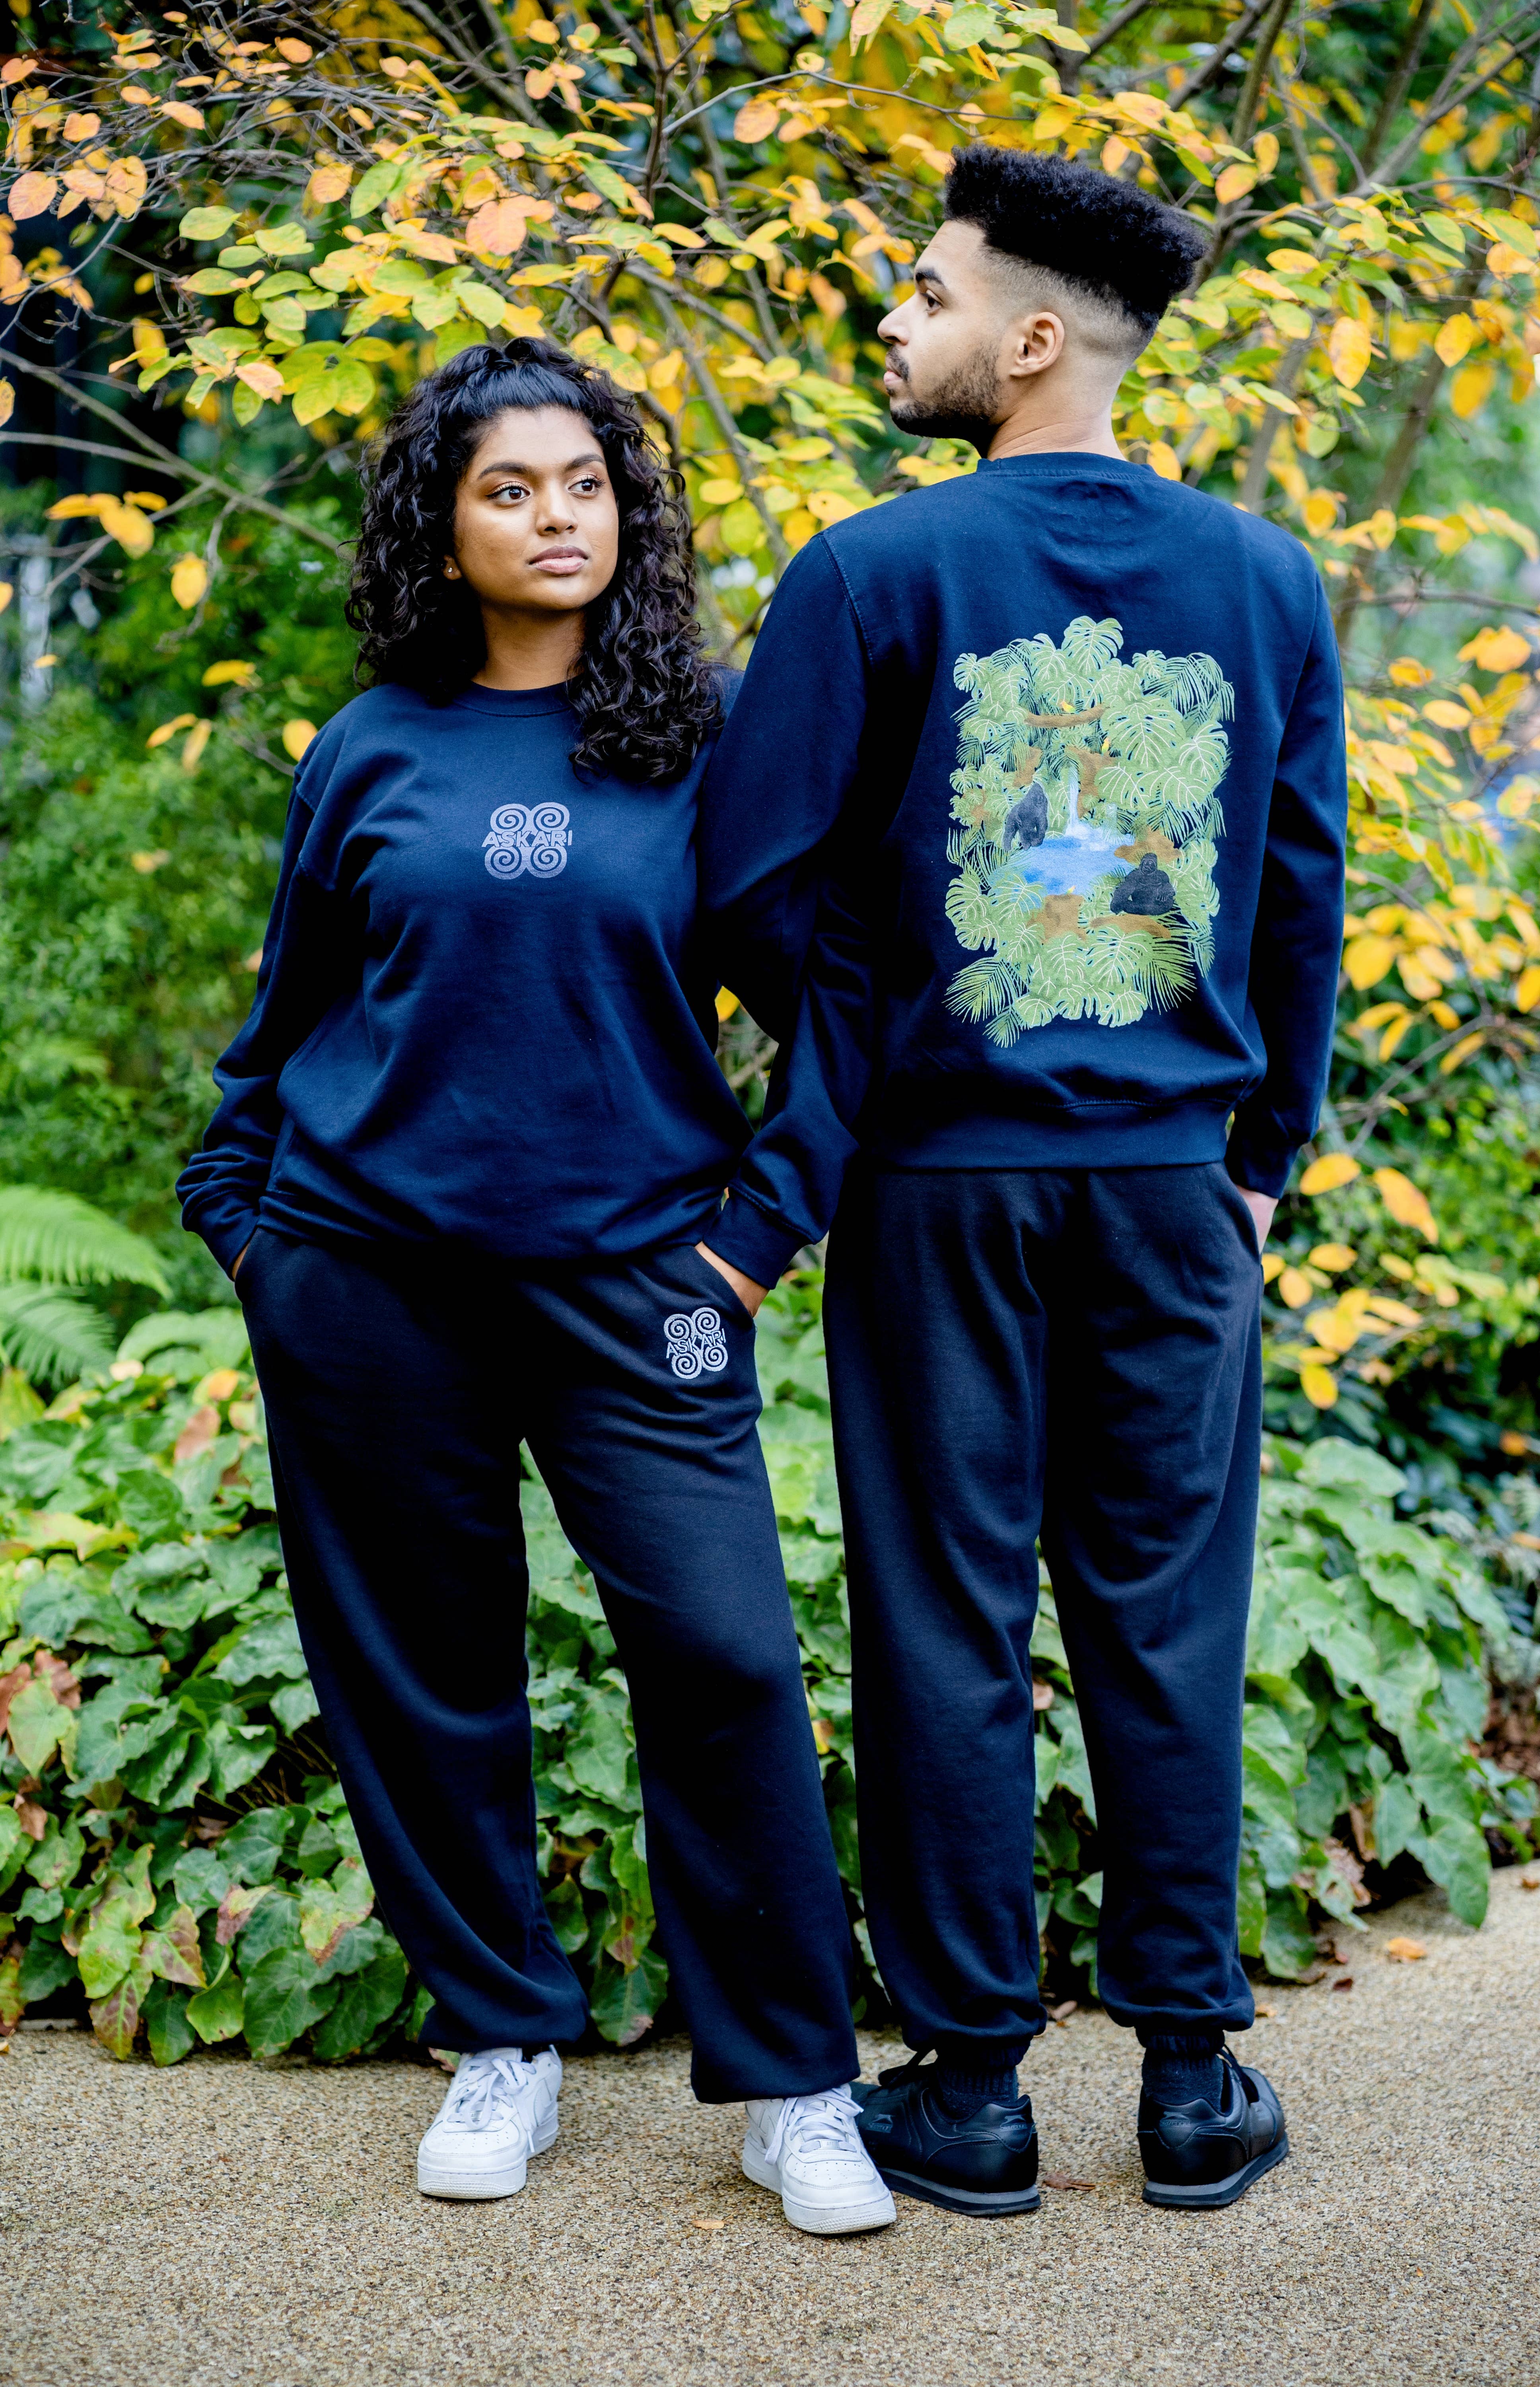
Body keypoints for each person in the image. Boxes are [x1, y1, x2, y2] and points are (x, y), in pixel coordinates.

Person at [177, 339, 894, 2239]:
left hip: (642, 1284)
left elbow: (831, 1010)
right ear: (444, 528)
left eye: (584, 483)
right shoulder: (370, 747)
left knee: (726, 1658)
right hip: (366, 1277)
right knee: (424, 1671)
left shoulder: (710, 738)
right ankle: (503, 2034)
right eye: (509, 488)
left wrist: (755, 1237)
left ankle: (794, 2085)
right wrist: (248, 1228)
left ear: (624, 511)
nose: (556, 516)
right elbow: (290, 1016)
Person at [697, 150, 1348, 2214]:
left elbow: (751, 882)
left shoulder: (866, 575)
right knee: (1167, 1617)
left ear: (1036, 337)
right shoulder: (1266, 580)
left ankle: (970, 2093)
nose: (895, 323)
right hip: (1171, 1192)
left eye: (928, 293)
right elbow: (1306, 895)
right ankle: (1190, 2085)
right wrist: (1262, 1158)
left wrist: (876, 1045)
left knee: (942, 1613)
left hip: (938, 1185)